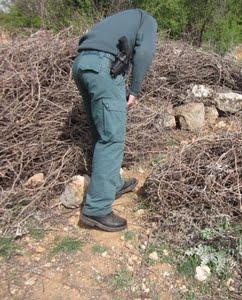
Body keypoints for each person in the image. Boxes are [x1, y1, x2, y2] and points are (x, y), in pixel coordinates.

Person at [72, 9, 157, 232]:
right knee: (111, 138)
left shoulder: (119, 18)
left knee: (100, 132)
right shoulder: (146, 19)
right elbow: (145, 52)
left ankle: (112, 185)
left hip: (81, 63)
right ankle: (97, 210)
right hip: (103, 66)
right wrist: (135, 89)